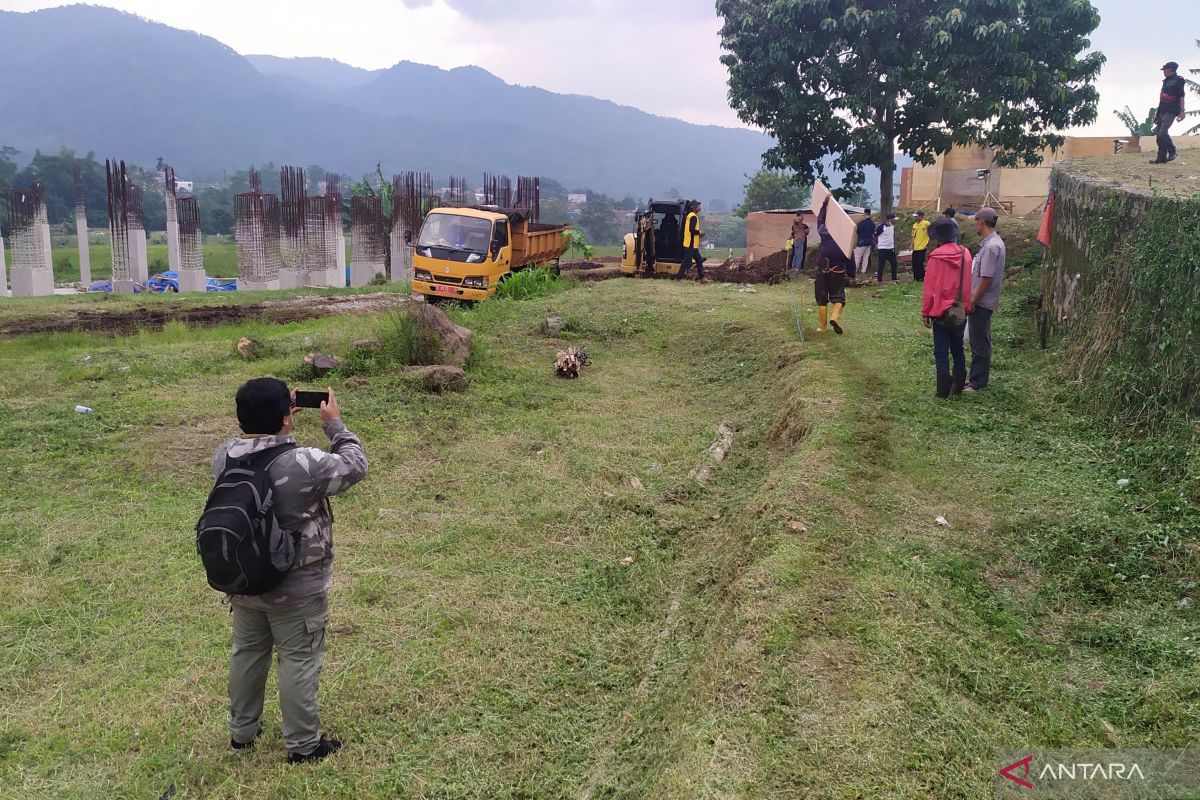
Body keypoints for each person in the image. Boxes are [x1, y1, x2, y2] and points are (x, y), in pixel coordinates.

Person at [214, 379, 368, 763]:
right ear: (288, 416)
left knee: (247, 653)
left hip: (245, 579)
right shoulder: (303, 463)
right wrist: (334, 425)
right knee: (298, 659)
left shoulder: (223, 456)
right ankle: (303, 745)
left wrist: (276, 422)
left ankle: (242, 732)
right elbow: (354, 466)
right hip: (296, 586)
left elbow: (254, 443)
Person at [921, 219, 972, 398]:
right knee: (957, 346)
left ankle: (942, 390)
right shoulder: (965, 253)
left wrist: (925, 311)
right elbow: (967, 282)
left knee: (941, 350)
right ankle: (958, 385)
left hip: (940, 309)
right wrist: (965, 306)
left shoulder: (936, 256)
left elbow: (929, 288)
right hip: (960, 308)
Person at [965, 208, 1006, 392]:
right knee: (979, 340)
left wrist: (973, 300)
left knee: (979, 342)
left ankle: (978, 382)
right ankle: (976, 378)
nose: (975, 225)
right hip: (982, 300)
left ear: (981, 221)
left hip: (982, 301)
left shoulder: (991, 246)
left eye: (976, 221)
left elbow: (986, 278)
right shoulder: (991, 243)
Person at [815, 195, 849, 334]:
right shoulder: (845, 237)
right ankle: (834, 317)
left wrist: (824, 205)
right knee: (838, 296)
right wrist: (851, 273)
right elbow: (849, 256)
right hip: (838, 270)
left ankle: (822, 327)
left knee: (821, 297)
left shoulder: (824, 232)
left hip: (823, 268)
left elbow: (820, 220)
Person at [1151, 61, 1187, 164]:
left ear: (1170, 69)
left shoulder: (1179, 80)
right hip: (1162, 110)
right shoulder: (1165, 81)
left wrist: (1182, 111)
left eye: (1165, 70)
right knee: (1159, 136)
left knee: (1163, 132)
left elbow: (1181, 96)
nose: (1163, 72)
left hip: (1171, 110)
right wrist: (1157, 114)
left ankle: (1173, 151)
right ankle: (1161, 159)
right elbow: (1161, 99)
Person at [676, 201, 705, 281]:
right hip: (691, 244)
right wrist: (699, 233)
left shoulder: (690, 215)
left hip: (692, 244)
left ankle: (702, 277)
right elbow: (692, 230)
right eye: (698, 206)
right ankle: (678, 278)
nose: (699, 207)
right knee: (686, 261)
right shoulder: (693, 217)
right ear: (693, 207)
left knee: (699, 260)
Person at [875, 213, 899, 284]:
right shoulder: (881, 227)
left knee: (894, 263)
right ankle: (879, 280)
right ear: (889, 219)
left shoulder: (892, 226)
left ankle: (894, 279)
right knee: (881, 265)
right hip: (882, 249)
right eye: (894, 219)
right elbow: (875, 235)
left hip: (890, 248)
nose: (895, 221)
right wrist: (878, 243)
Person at [853, 209, 875, 285]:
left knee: (857, 257)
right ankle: (863, 270)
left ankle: (854, 270)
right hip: (869, 242)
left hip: (861, 242)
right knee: (866, 256)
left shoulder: (861, 223)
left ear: (865, 213)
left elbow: (857, 232)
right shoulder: (872, 223)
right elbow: (873, 232)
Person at [910, 210, 931, 282]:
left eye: (917, 216)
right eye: (915, 216)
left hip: (923, 247)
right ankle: (916, 277)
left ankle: (921, 277)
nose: (915, 218)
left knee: (920, 263)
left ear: (921, 216)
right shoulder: (914, 225)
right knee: (914, 263)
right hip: (915, 247)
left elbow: (932, 230)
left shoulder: (926, 223)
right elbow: (913, 236)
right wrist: (911, 245)